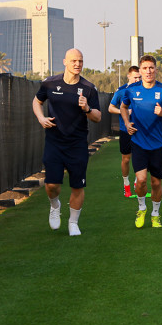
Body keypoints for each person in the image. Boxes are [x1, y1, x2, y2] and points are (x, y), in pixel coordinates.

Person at [31, 48, 101, 236]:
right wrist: (41, 118)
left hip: (77, 144)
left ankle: (73, 223)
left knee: (77, 186)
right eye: (74, 61)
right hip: (54, 142)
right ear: (65, 62)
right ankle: (55, 205)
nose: (77, 64)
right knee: (52, 185)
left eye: (80, 61)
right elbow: (36, 102)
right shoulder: (50, 83)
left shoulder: (88, 88)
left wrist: (87, 108)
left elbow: (98, 117)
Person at [119, 55, 162, 228]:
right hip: (138, 142)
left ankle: (155, 214)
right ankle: (142, 208)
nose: (148, 71)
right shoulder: (131, 90)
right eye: (145, 68)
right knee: (141, 180)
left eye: (151, 67)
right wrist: (126, 123)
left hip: (157, 143)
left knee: (156, 182)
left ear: (156, 70)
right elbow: (123, 107)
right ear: (140, 70)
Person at [108, 65, 140, 197]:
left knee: (140, 158)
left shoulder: (144, 89)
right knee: (126, 159)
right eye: (135, 77)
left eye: (139, 77)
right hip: (125, 130)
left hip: (141, 130)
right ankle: (126, 184)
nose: (137, 80)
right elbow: (110, 108)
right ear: (128, 76)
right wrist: (124, 111)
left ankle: (138, 183)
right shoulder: (121, 91)